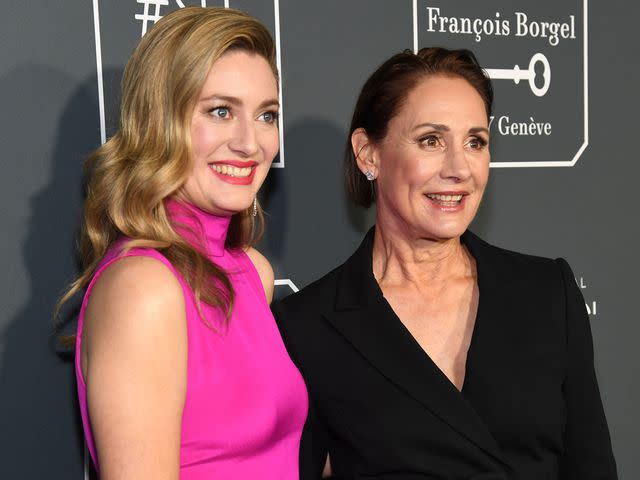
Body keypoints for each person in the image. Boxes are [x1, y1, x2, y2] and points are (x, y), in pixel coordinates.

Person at [271, 47, 617, 480]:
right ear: (368, 154)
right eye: (430, 140)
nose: (459, 169)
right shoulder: (308, 327)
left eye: (475, 142)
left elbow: (592, 466)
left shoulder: (547, 293)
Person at [58, 7, 307, 479]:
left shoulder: (253, 271)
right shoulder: (143, 287)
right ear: (159, 121)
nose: (250, 143)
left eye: (266, 115)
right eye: (220, 111)